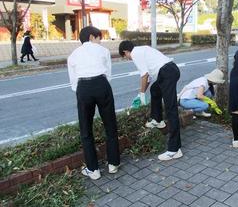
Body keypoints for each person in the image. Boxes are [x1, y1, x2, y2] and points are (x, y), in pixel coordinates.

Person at [67, 26, 120, 180]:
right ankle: (113, 164)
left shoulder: (73, 55)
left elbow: (73, 82)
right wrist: (101, 84)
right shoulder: (103, 51)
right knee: (110, 124)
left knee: (86, 129)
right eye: (99, 38)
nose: (100, 41)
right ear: (91, 37)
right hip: (102, 84)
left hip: (83, 87)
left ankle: (93, 169)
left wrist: (83, 90)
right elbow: (108, 74)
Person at [118, 40, 182, 161]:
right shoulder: (142, 50)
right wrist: (140, 94)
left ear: (126, 51)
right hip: (167, 71)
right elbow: (148, 79)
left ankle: (175, 149)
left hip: (167, 73)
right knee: (154, 90)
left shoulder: (135, 54)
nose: (127, 59)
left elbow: (145, 75)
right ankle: (158, 120)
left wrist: (142, 94)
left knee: (171, 109)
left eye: (125, 56)